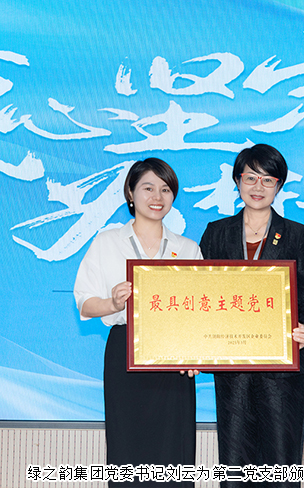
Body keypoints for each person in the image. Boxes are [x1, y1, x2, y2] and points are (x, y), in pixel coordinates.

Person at [199, 144, 304, 487]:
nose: (258, 187)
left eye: (268, 180)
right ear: (237, 181)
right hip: (232, 365)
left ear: (279, 185)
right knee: (234, 464)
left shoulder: (297, 234)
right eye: (250, 178)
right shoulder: (216, 232)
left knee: (282, 463)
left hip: (282, 364)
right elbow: (201, 293)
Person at [74, 158, 202, 486]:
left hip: (174, 357)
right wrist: (113, 303)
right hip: (125, 352)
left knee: (174, 451)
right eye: (148, 188)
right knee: (127, 447)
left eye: (165, 189)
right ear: (130, 193)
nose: (157, 197)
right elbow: (85, 301)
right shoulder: (107, 242)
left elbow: (199, 314)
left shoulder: (187, 248)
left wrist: (195, 354)